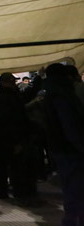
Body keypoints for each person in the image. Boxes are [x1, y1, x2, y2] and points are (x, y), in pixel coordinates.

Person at [42, 63, 84, 226]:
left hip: (58, 147)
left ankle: (71, 219)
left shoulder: (49, 93)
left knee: (70, 188)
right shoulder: (63, 95)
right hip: (71, 149)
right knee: (77, 189)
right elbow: (70, 126)